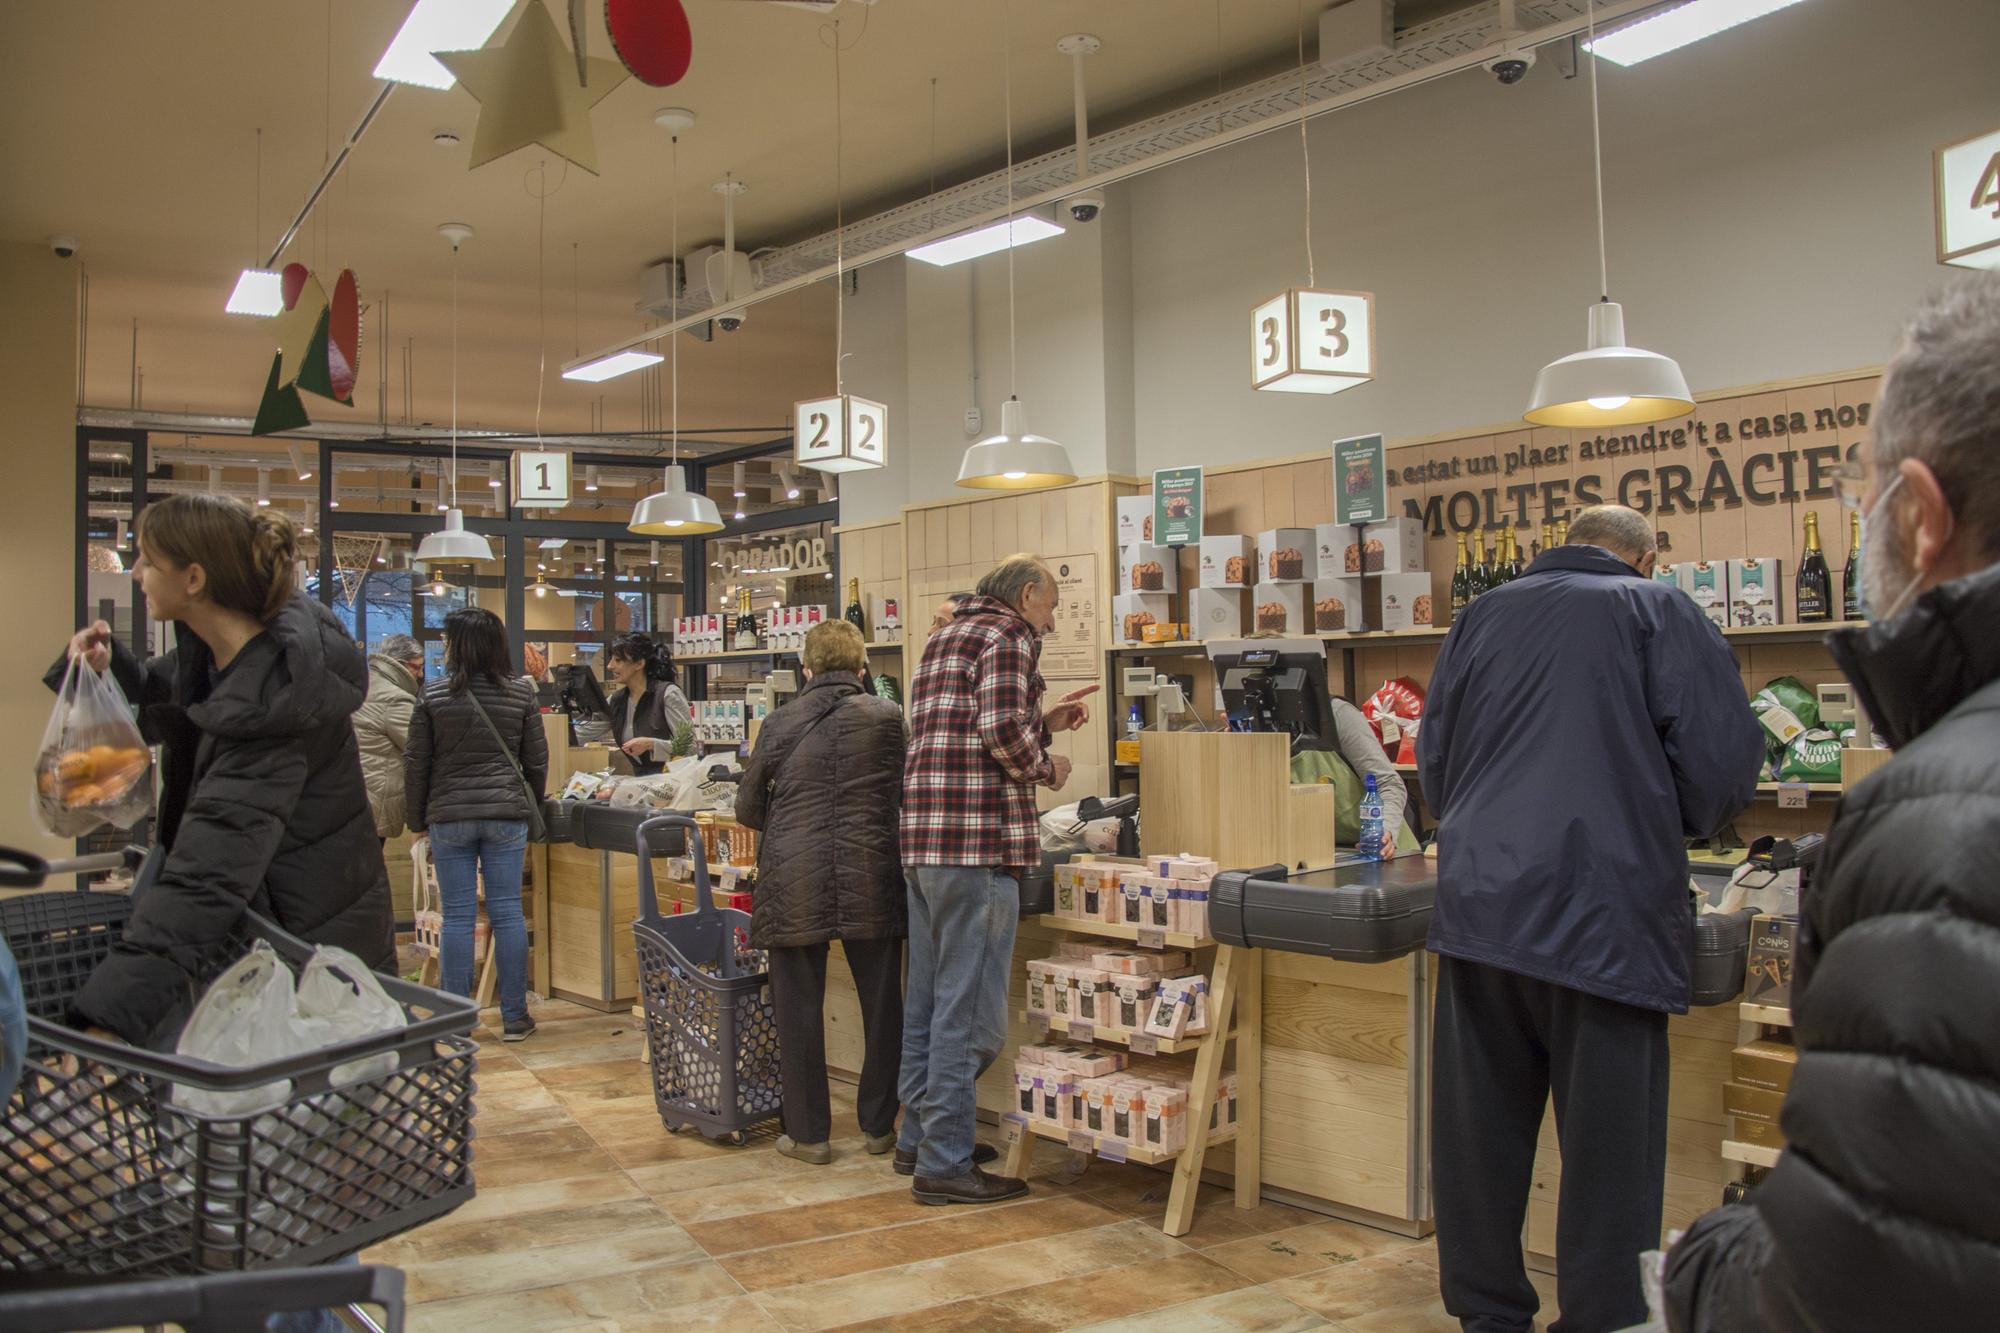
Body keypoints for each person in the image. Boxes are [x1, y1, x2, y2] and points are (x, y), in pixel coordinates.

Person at [1664, 275, 2000, 1332]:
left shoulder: (1939, 816)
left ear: (1921, 512)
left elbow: (1865, 1269)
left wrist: (1702, 1264)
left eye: (1868, 497)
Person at [1416, 503, 1764, 1333]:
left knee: (1478, 1145)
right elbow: (1720, 768)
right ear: (1646, 558)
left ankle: (1487, 1317)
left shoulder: (1481, 615)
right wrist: (1654, 813)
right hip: (1605, 914)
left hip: (1482, 907)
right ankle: (1603, 1319)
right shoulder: (1658, 610)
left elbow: (1434, 758)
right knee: (1612, 1159)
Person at [56, 495, 394, 1047]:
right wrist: (106, 669)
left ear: (193, 579)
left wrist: (108, 1015)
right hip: (283, 941)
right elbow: (168, 698)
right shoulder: (227, 656)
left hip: (297, 952)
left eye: (147, 561)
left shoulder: (269, 705)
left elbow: (206, 876)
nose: (136, 572)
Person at [897, 554, 1093, 1205]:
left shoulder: (946, 635)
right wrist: (1047, 763)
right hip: (976, 844)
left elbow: (963, 725)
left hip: (924, 844)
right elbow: (1000, 732)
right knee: (972, 1015)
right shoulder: (1011, 636)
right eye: (1053, 604)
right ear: (1028, 594)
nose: (1054, 618)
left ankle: (920, 1137)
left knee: (926, 1004)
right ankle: (946, 1161)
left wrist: (1046, 718)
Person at [736, 619, 907, 1165]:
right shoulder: (888, 719)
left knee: (797, 1008)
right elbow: (906, 792)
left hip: (793, 878)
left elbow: (746, 808)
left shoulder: (780, 722)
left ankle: (809, 1135)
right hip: (872, 872)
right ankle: (880, 1127)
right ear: (863, 669)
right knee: (883, 1006)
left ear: (805, 669)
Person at [404, 608, 548, 1042]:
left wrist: (417, 819)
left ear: (457, 646)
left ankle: (456, 1020)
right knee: (507, 913)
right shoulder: (521, 694)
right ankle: (514, 1017)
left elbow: (416, 764)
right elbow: (537, 761)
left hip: (449, 816)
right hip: (506, 817)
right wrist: (529, 804)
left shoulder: (432, 695)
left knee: (459, 917)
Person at [354, 633, 424, 846]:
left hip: (353, 791)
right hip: (375, 798)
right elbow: (417, 747)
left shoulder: (363, 684)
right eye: (417, 667)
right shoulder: (395, 699)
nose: (420, 674)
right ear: (401, 664)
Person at [601, 631, 690, 775]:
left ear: (639, 663)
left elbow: (689, 746)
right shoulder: (616, 700)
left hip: (674, 785)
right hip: (643, 784)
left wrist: (651, 744)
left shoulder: (668, 694)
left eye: (618, 660)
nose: (610, 666)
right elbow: (584, 732)